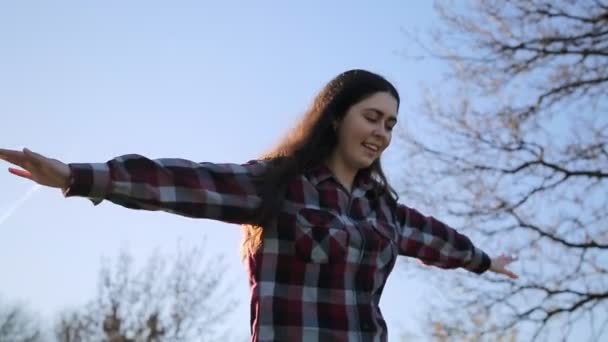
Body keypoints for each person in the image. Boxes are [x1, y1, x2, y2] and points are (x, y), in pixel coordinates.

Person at [0, 69, 517, 342]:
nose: (382, 132)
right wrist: (79, 176)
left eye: (391, 124)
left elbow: (435, 239)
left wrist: (483, 261)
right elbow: (184, 182)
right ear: (337, 117)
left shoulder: (384, 210)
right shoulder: (280, 186)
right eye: (373, 116)